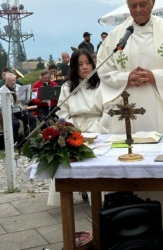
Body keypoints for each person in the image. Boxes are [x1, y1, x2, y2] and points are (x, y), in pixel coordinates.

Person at [97, 0, 163, 241]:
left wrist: (155, 76)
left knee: (162, 162)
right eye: (132, 5)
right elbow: (103, 70)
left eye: (142, 4)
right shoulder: (118, 36)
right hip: (126, 111)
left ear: (152, 3)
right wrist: (125, 78)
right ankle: (126, 219)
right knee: (127, 161)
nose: (137, 10)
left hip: (161, 106)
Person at [47, 49, 109, 206]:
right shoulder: (67, 87)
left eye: (88, 63)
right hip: (74, 126)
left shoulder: (101, 83)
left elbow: (108, 109)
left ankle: (99, 194)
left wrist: (99, 127)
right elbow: (62, 112)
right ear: (74, 66)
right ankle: (72, 190)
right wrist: (72, 130)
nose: (85, 67)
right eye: (80, 64)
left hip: (97, 125)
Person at [0, 73, 36, 144]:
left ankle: (27, 139)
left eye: (14, 80)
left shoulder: (19, 87)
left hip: (19, 109)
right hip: (9, 111)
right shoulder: (1, 90)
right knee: (15, 124)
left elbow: (25, 102)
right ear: (6, 81)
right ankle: (14, 142)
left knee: (32, 119)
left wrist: (26, 98)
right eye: (11, 81)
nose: (13, 82)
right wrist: (13, 103)